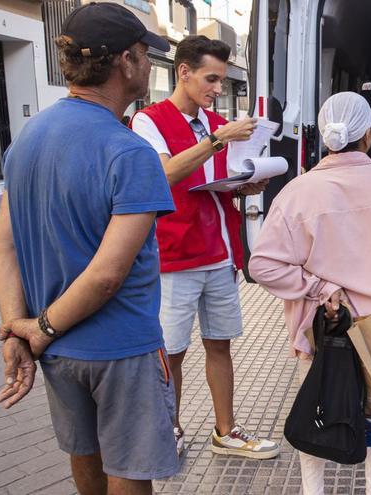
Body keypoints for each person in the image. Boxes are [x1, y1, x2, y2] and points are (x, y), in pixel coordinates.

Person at [0, 3, 179, 493]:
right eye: (144, 54)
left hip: (57, 350)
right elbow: (107, 274)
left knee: (85, 454)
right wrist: (37, 327)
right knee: (129, 470)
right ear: (125, 61)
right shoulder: (130, 152)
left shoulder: (26, 140)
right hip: (120, 347)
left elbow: (4, 242)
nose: (148, 65)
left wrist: (19, 328)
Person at [248, 92, 371, 495]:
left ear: (324, 135)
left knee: (316, 408)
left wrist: (318, 287)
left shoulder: (297, 193)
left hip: (320, 330)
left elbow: (261, 265)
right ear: (368, 136)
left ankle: (313, 490)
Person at [131, 35, 278, 459]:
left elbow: (217, 184)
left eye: (222, 80)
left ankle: (225, 431)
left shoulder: (216, 124)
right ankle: (170, 428)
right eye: (212, 79)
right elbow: (164, 175)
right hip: (174, 256)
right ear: (184, 72)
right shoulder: (149, 121)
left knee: (220, 344)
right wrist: (218, 140)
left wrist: (246, 185)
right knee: (171, 351)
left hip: (220, 253)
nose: (217, 89)